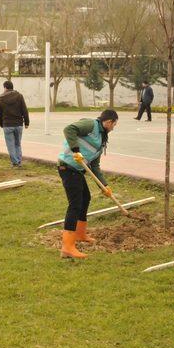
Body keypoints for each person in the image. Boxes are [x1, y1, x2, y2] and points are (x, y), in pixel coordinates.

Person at [57, 109, 118, 259]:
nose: (114, 128)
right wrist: (75, 150)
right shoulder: (90, 125)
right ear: (109, 122)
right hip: (67, 166)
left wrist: (104, 186)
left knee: (86, 198)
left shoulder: (102, 139)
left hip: (77, 170)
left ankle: (80, 234)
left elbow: (95, 166)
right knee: (75, 204)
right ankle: (67, 247)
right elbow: (69, 129)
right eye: (114, 124)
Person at [0, 80, 30, 168]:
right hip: (18, 124)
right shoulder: (19, 96)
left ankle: (15, 162)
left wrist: (1, 124)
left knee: (10, 145)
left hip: (7, 124)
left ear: (5, 87)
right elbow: (24, 110)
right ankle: (19, 162)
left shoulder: (0, 99)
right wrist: (26, 122)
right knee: (18, 144)